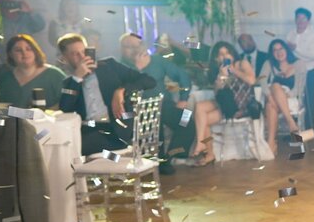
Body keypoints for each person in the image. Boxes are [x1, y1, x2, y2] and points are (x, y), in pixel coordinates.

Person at [57, 33, 155, 156]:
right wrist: (77, 77)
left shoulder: (109, 66)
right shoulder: (69, 83)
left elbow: (149, 81)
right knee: (64, 145)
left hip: (114, 128)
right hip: (88, 129)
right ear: (65, 58)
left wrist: (121, 90)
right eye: (75, 54)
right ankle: (110, 166)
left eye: (83, 51)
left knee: (76, 148)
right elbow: (64, 109)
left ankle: (113, 164)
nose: (82, 56)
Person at [119, 31, 194, 173]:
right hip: (136, 110)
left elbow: (183, 77)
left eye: (137, 45)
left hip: (164, 105)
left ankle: (170, 156)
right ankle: (157, 162)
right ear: (122, 49)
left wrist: (183, 99)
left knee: (186, 119)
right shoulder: (118, 66)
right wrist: (139, 69)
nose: (135, 49)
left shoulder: (157, 61)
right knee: (154, 123)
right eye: (129, 46)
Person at [189, 41, 259, 166]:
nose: (225, 56)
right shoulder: (219, 70)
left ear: (232, 54)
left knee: (202, 118)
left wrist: (234, 70)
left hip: (243, 105)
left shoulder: (242, 63)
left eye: (227, 53)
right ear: (216, 58)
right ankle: (206, 149)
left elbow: (252, 80)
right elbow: (218, 93)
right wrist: (221, 77)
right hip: (227, 104)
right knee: (200, 110)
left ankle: (204, 148)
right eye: (221, 54)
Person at [259, 38, 304, 156]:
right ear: (272, 53)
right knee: (272, 94)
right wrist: (269, 95)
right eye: (275, 50)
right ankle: (291, 123)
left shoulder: (299, 64)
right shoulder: (269, 63)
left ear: (286, 49)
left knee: (274, 88)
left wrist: (286, 95)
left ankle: (271, 144)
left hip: (291, 99)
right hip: (273, 99)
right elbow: (262, 81)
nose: (278, 52)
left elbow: (300, 87)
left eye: (281, 49)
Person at [0, 34, 65, 109]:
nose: (24, 53)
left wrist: (46, 114)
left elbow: (70, 101)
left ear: (35, 51)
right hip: (14, 120)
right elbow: (1, 107)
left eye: (29, 49)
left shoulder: (54, 74)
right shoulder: (5, 78)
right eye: (18, 50)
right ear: (10, 54)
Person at [285, 7, 314, 131]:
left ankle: (310, 128)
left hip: (309, 71)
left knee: (308, 100)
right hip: (293, 72)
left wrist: (296, 49)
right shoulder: (290, 34)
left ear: (308, 20)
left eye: (303, 18)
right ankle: (295, 129)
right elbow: (287, 55)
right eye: (297, 18)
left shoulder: (312, 35)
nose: (300, 21)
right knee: (294, 98)